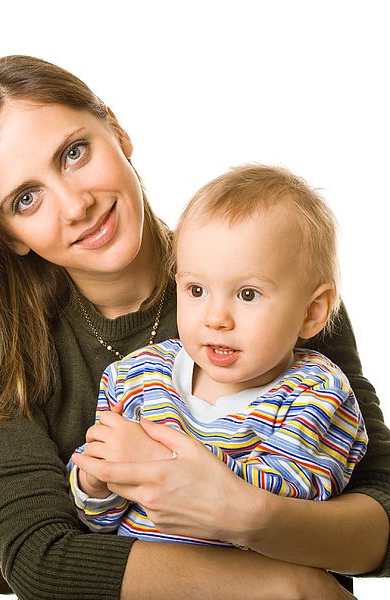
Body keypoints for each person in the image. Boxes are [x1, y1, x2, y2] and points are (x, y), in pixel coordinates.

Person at [0, 55, 390, 600]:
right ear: (10, 234)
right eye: (26, 199)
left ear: (117, 130)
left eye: (73, 153)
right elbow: (41, 563)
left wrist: (241, 512)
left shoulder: (271, 274)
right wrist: (285, 584)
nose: (76, 205)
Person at [69, 165, 369, 547]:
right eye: (196, 290)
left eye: (247, 294)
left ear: (312, 312)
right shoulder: (137, 376)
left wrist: (158, 461)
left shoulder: (317, 394)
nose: (216, 318)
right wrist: (94, 481)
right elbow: (99, 520)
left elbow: (285, 505)